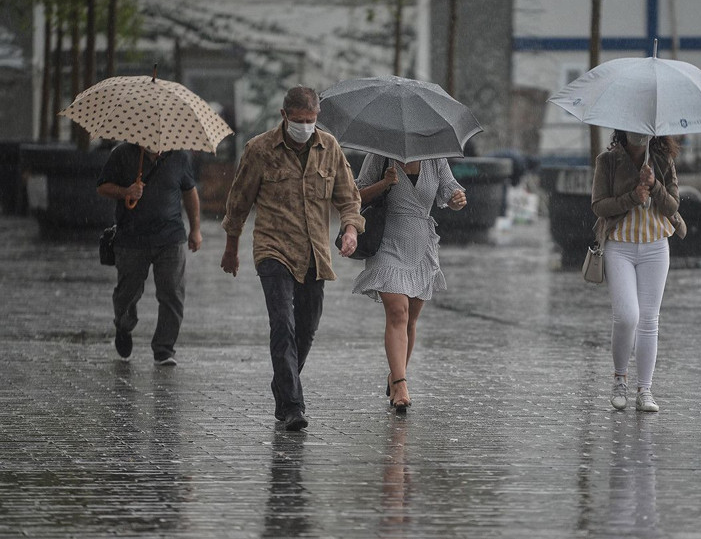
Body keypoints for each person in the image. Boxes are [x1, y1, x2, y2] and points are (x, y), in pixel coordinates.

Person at [220, 86, 364, 431]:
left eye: (311, 120)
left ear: (317, 117)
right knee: (282, 323)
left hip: (315, 252)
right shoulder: (259, 150)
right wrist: (231, 248)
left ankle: (283, 383)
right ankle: (292, 406)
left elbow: (349, 198)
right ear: (284, 116)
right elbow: (238, 202)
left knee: (307, 329)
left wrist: (350, 230)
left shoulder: (329, 148)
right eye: (298, 120)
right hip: (273, 249)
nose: (305, 126)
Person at [352, 153, 467, 411]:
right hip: (387, 242)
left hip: (421, 245)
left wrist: (457, 200)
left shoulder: (435, 157)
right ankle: (401, 384)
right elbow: (355, 196)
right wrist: (384, 184)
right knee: (397, 311)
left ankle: (396, 375)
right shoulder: (380, 155)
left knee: (410, 320)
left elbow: (450, 193)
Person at [590, 130, 686, 412]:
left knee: (649, 320)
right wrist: (633, 196)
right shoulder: (607, 161)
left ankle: (645, 389)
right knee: (626, 316)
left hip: (656, 246)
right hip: (619, 245)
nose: (639, 135)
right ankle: (620, 378)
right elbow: (598, 206)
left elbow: (673, 205)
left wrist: (654, 185)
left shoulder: (663, 160)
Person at [96, 143, 202, 366]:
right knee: (127, 293)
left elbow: (189, 192)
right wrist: (125, 191)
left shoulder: (179, 156)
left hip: (171, 237)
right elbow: (102, 187)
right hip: (132, 239)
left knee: (173, 293)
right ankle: (123, 326)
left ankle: (164, 349)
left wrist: (195, 229)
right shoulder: (122, 154)